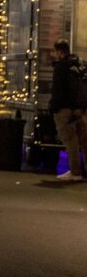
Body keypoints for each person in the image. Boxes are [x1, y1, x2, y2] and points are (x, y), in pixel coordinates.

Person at [49, 39, 87, 182]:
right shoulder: (79, 65)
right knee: (84, 142)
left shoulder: (61, 67)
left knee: (71, 142)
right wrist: (81, 107)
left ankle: (75, 172)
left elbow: (58, 91)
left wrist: (53, 107)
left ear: (59, 51)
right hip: (80, 109)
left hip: (64, 109)